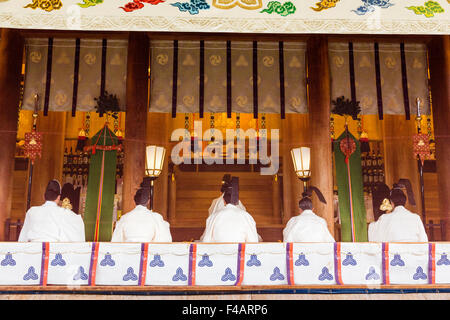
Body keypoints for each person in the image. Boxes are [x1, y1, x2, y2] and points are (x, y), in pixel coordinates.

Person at [19, 180, 86, 242]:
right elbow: (77, 224)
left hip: (33, 250)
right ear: (59, 197)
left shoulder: (32, 211)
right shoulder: (63, 212)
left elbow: (23, 237)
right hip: (53, 250)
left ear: (44, 196)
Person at [201, 177, 259, 243]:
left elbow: (206, 241)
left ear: (223, 200)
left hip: (219, 251)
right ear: (237, 201)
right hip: (239, 252)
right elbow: (253, 241)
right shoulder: (247, 216)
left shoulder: (213, 217)